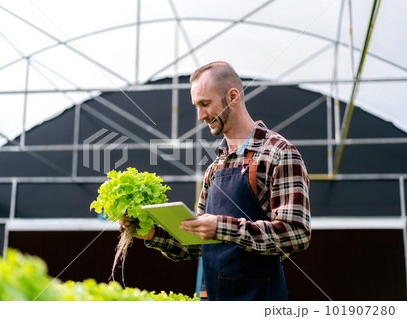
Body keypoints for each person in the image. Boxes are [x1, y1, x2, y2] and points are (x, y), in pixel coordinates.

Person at [119, 61, 311, 301]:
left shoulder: (278, 153)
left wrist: (221, 227)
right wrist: (151, 234)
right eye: (196, 106)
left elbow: (295, 233)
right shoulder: (215, 168)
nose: (200, 116)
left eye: (205, 104)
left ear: (232, 96)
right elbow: (196, 244)